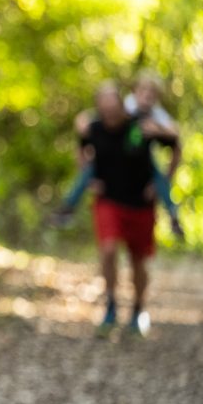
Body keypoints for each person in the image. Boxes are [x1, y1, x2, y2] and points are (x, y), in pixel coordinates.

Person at [79, 81, 178, 335]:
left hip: (141, 203)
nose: (110, 113)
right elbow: (81, 145)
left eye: (113, 107)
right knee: (108, 249)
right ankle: (111, 305)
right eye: (105, 108)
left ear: (122, 106)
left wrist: (163, 182)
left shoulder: (141, 124)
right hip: (109, 200)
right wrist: (88, 179)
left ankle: (138, 310)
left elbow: (176, 142)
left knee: (138, 262)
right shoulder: (95, 127)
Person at [52, 70, 183, 237]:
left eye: (152, 93)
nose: (147, 96)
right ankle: (67, 208)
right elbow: (98, 115)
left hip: (142, 160)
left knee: (159, 177)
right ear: (135, 91)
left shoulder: (156, 114)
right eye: (143, 91)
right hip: (114, 160)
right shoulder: (127, 105)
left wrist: (158, 130)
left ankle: (173, 214)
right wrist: (82, 121)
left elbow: (175, 133)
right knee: (88, 172)